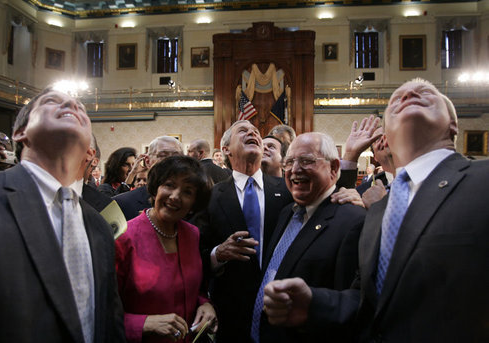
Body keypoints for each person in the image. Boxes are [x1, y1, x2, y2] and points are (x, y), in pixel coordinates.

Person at [263, 78, 489, 342]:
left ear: (452, 124)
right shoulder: (378, 212)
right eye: (396, 100)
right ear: (386, 137)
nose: (409, 93)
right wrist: (315, 304)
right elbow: (370, 301)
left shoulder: (482, 180)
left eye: (426, 93)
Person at [0, 87, 125, 342]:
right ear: (20, 133)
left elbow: (109, 322)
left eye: (82, 109)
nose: (71, 105)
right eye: (52, 102)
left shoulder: (98, 225)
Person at [252, 132, 365, 343]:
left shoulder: (353, 221)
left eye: (306, 161)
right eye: (290, 162)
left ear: (333, 168)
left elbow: (353, 305)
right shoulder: (288, 211)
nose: (295, 169)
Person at [197, 120, 294, 343]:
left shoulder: (287, 191)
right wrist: (218, 254)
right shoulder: (210, 197)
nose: (252, 132)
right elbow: (195, 252)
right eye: (243, 131)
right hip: (231, 315)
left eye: (256, 132)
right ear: (225, 150)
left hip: (282, 312)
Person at [115, 156, 217, 343]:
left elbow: (193, 288)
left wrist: (205, 304)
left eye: (187, 192)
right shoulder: (124, 238)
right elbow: (101, 312)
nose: (175, 196)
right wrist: (144, 323)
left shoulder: (192, 234)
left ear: (194, 203)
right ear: (155, 188)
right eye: (169, 185)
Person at [114, 136, 183, 220]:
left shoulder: (192, 201)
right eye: (163, 155)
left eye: (176, 156)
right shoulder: (123, 203)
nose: (170, 161)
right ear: (147, 161)